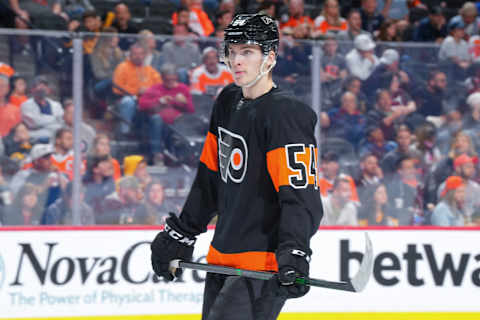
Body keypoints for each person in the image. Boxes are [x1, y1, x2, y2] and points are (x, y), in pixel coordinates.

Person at [150, 14, 323, 320]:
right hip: (221, 256)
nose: (236, 61)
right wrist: (181, 233)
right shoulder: (228, 101)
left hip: (261, 265)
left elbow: (299, 194)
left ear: (269, 58)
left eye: (247, 52)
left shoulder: (286, 114)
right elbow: (210, 176)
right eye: (232, 52)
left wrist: (295, 251)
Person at [21, 75, 64, 142]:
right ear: (32, 89)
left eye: (44, 86)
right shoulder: (25, 105)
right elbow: (34, 123)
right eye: (38, 86)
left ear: (48, 89)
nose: (42, 88)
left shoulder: (56, 105)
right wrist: (54, 119)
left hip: (55, 138)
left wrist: (44, 121)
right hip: (36, 139)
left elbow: (62, 122)